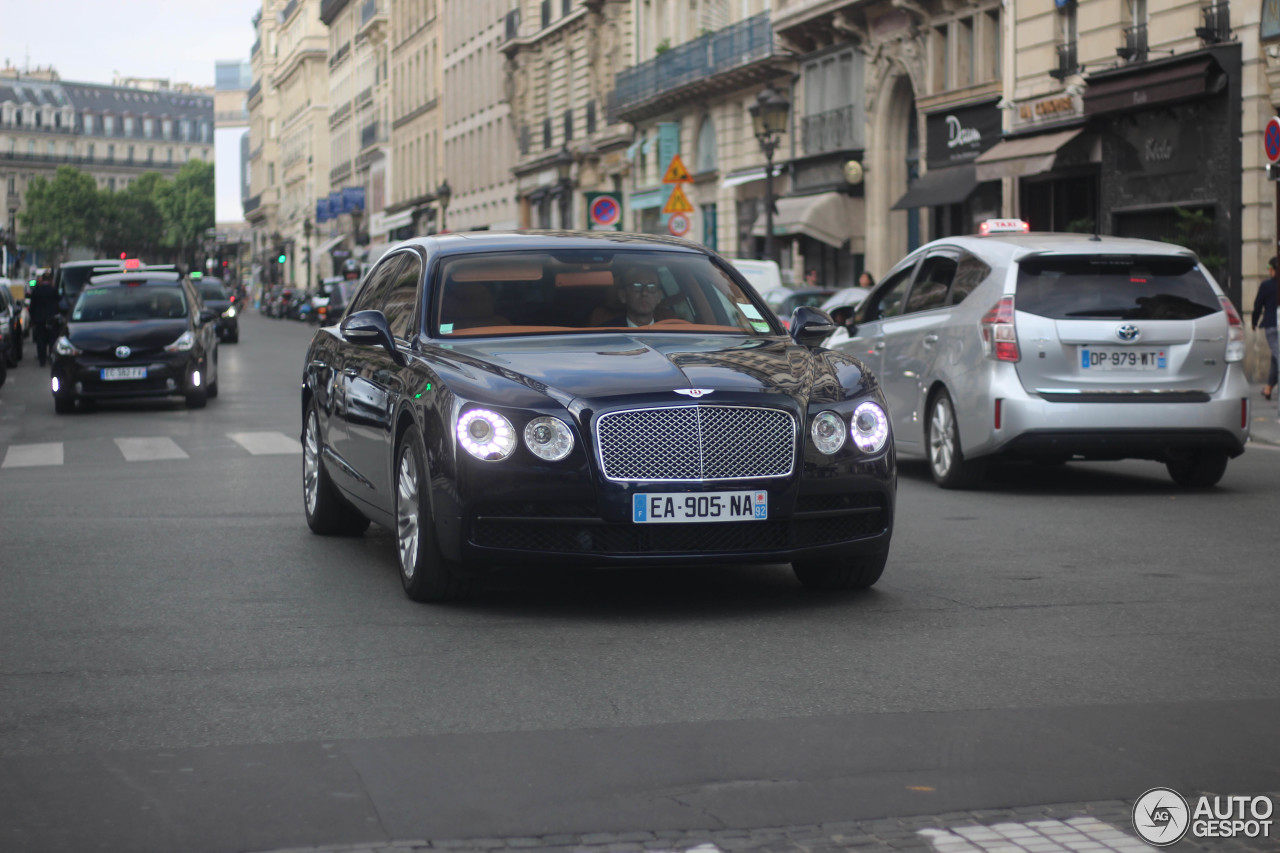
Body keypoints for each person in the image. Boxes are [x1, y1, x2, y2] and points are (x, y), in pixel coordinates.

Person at [597, 263, 665, 326]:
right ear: (622, 295)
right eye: (637, 286)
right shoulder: (605, 332)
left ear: (659, 296)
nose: (644, 293)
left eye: (651, 286)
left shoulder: (669, 330)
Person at [1252, 256, 1278, 401]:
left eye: (1269, 268)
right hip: (1274, 326)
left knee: (1277, 357)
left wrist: (1254, 322)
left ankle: (1268, 388)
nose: (1269, 271)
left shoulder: (1266, 285)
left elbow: (1257, 306)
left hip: (1272, 327)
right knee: (1277, 355)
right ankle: (1268, 388)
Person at [28, 270, 62, 367]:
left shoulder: (36, 291)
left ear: (42, 280)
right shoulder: (53, 290)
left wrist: (33, 319)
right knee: (52, 339)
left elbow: (32, 307)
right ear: (50, 280)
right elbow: (60, 303)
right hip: (52, 320)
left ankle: (42, 360)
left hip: (40, 320)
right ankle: (52, 358)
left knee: (41, 340)